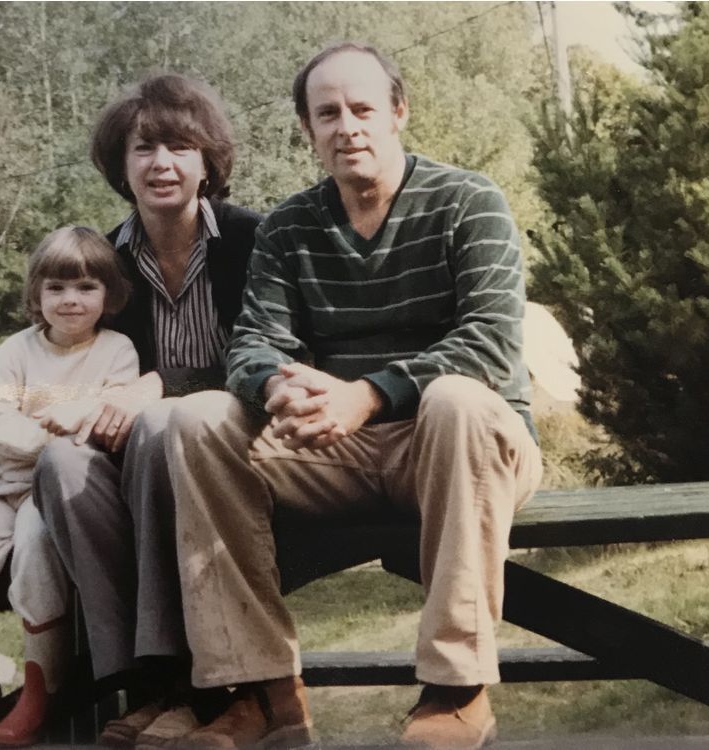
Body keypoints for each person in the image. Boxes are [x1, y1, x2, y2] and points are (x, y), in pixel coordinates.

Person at [164, 43, 543, 750]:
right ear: (309, 130)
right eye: (327, 113)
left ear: (398, 112)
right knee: (197, 419)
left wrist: (366, 395)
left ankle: (457, 689)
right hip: (335, 449)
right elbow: (250, 344)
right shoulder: (289, 228)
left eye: (363, 108)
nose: (348, 127)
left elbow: (491, 342)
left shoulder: (469, 201)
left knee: (456, 400)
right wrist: (278, 385)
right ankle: (260, 692)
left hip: (463, 447)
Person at [0, 74, 262, 748]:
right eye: (143, 149)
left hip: (232, 440)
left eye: (179, 146)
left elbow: (276, 348)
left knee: (169, 433)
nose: (161, 163)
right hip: (134, 456)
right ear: (120, 166)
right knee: (66, 467)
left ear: (207, 162)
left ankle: (210, 690)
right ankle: (145, 684)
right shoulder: (105, 264)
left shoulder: (253, 241)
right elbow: (34, 366)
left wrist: (158, 392)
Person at [0, 226, 137, 747]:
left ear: (108, 295)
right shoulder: (15, 352)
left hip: (60, 493)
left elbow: (104, 428)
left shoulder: (117, 351)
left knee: (36, 557)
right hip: (2, 486)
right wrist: (56, 430)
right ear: (36, 294)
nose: (70, 300)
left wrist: (58, 430)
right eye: (56, 288)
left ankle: (39, 687)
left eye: (87, 287)